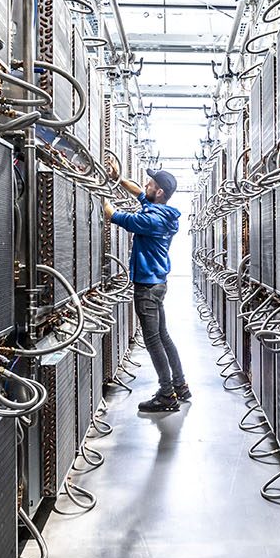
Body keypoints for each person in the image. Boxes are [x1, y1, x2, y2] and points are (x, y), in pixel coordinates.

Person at [102, 158, 189, 413]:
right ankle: (180, 385)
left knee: (153, 340)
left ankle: (166, 394)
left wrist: (97, 188)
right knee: (163, 336)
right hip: (158, 284)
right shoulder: (163, 212)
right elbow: (140, 194)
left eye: (150, 183)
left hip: (147, 287)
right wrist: (118, 177)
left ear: (159, 191)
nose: (145, 184)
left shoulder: (151, 220)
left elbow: (111, 214)